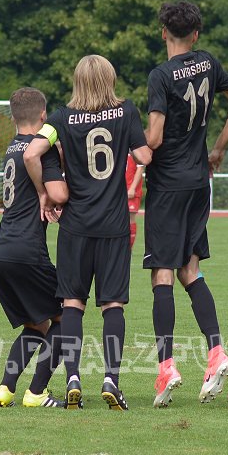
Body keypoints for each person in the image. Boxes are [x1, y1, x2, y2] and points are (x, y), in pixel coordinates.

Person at [23, 55, 151, 410]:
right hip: (114, 224)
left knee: (72, 303)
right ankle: (111, 379)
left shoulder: (61, 118)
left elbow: (31, 154)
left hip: (75, 225)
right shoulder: (126, 111)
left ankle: (73, 378)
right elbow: (144, 156)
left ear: (77, 81)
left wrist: (43, 193)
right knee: (112, 304)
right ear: (110, 79)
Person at [143, 0, 228, 408]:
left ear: (163, 33)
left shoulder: (160, 76)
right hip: (197, 183)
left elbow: (154, 138)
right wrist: (218, 148)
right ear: (196, 34)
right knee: (190, 269)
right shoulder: (208, 63)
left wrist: (132, 141)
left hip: (167, 186)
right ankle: (216, 352)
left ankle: (166, 367)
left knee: (162, 274)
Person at [0, 87, 69, 409]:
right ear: (44, 116)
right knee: (66, 315)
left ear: (13, 118)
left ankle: (5, 389)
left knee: (36, 325)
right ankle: (37, 393)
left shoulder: (11, 148)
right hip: (26, 250)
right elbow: (58, 194)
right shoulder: (40, 150)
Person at [126, 154, 145, 247]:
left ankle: (128, 248)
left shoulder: (134, 148)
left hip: (131, 189)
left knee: (130, 218)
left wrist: (132, 188)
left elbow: (140, 167)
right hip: (117, 189)